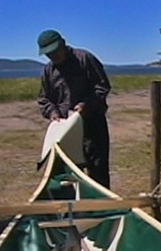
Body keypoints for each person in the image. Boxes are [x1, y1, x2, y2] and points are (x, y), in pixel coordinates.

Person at [37, 29, 112, 188]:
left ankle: (101, 208)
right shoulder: (48, 71)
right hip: (65, 130)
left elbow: (102, 86)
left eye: (55, 52)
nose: (53, 56)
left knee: (97, 169)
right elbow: (44, 99)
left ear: (63, 44)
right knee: (66, 173)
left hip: (92, 125)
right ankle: (71, 209)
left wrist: (87, 104)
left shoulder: (84, 58)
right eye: (49, 54)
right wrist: (53, 113)